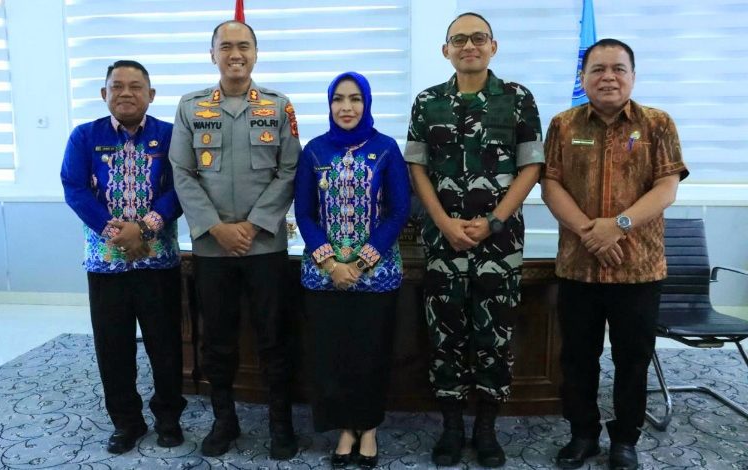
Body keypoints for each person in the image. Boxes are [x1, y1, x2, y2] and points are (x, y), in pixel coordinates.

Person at [404, 12, 544, 468]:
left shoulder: (518, 99)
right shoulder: (427, 103)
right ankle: (451, 428)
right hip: (444, 243)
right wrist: (443, 222)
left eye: (478, 38)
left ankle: (486, 429)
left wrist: (495, 221)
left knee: (494, 336)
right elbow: (417, 168)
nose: (469, 46)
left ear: (493, 46)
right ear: (445, 50)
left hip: (498, 245)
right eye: (459, 39)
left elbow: (531, 166)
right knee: (445, 335)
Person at [542, 38, 688, 470]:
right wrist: (591, 233)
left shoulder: (657, 123)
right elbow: (551, 185)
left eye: (618, 69)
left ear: (633, 76)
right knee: (577, 358)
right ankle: (582, 435)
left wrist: (617, 226)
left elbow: (667, 187)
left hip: (638, 268)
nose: (608, 77)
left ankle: (626, 439)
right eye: (598, 69)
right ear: (583, 77)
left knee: (632, 360)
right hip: (579, 266)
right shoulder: (562, 125)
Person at [168, 20, 300, 460]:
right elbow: (182, 172)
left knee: (274, 338)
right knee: (217, 341)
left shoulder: (279, 107)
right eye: (225, 46)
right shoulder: (190, 107)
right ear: (212, 55)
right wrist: (217, 227)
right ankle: (224, 420)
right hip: (212, 248)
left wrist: (255, 224)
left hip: (265, 247)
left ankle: (281, 423)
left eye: (244, 46)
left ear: (256, 54)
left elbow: (289, 170)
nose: (235, 54)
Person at [61, 60, 187, 454]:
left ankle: (168, 418)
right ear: (104, 94)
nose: (126, 93)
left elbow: (181, 188)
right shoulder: (84, 136)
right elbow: (74, 188)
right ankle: (126, 422)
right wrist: (115, 232)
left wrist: (144, 228)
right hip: (106, 264)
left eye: (136, 86)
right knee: (113, 348)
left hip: (158, 262)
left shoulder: (170, 136)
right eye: (117, 86)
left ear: (151, 94)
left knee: (165, 346)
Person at [294, 71, 411, 468]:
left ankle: (369, 426)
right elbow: (304, 213)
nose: (346, 107)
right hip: (325, 277)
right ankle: (346, 427)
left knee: (371, 354)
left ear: (367, 103)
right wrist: (331, 264)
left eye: (355, 99)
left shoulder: (386, 149)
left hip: (376, 277)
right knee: (334, 356)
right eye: (338, 99)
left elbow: (398, 211)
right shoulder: (314, 151)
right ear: (329, 104)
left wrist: (361, 264)